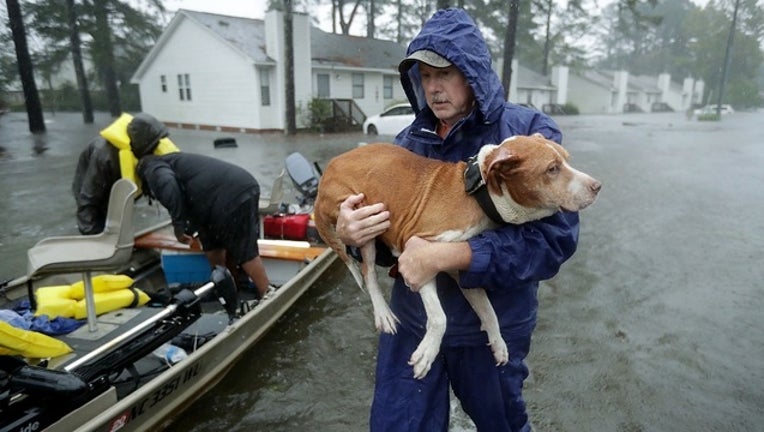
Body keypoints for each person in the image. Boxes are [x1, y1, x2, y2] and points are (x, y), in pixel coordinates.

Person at [335, 8, 580, 432]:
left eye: (445, 73)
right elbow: (396, 248)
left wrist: (458, 254)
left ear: (473, 73)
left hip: (492, 328)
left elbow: (553, 243)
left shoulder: (526, 134)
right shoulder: (405, 146)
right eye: (425, 77)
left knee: (501, 423)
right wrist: (353, 235)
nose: (434, 87)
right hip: (414, 322)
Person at [135, 152, 271, 297]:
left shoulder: (152, 168)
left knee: (243, 249)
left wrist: (179, 227)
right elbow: (189, 194)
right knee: (212, 245)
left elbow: (169, 184)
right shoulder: (173, 161)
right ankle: (228, 290)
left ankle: (268, 295)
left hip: (230, 193)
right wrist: (190, 228)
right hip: (222, 196)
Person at [72, 112, 172, 234]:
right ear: (142, 142)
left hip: (115, 178)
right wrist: (92, 236)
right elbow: (88, 198)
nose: (156, 148)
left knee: (119, 219)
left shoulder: (140, 149)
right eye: (153, 144)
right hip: (91, 184)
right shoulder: (104, 156)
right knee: (97, 216)